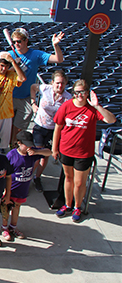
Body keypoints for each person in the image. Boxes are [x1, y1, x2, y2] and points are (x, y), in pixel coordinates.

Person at [52, 80, 116, 222]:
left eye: (82, 92)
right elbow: (58, 127)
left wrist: (97, 106)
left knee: (80, 183)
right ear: (73, 93)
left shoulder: (92, 109)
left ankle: (77, 206)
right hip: (66, 149)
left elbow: (111, 120)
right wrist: (54, 148)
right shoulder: (66, 106)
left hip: (84, 152)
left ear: (87, 92)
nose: (80, 95)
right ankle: (67, 205)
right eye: (77, 92)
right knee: (68, 178)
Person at [8, 28, 64, 140]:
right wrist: (13, 65)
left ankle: (14, 149)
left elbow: (59, 59)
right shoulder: (9, 55)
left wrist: (56, 45)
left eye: (19, 41)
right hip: (9, 96)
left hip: (26, 98)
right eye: (14, 42)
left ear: (26, 40)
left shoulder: (36, 54)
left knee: (19, 129)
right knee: (7, 127)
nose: (16, 44)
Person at [3, 131, 51, 241]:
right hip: (11, 188)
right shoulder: (12, 155)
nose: (29, 146)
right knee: (6, 208)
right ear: (18, 143)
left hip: (23, 189)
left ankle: (13, 227)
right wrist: (5, 190)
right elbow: (5, 172)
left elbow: (49, 152)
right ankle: (4, 227)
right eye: (26, 144)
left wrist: (36, 151)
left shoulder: (33, 153)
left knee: (17, 207)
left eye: (30, 144)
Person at [30, 70, 71, 192]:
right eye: (57, 83)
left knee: (45, 156)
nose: (60, 86)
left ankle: (37, 177)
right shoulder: (45, 88)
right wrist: (33, 103)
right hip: (40, 125)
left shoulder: (68, 98)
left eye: (62, 83)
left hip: (53, 130)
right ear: (52, 83)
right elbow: (33, 87)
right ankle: (27, 177)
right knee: (36, 154)